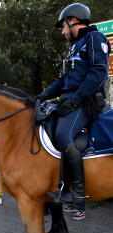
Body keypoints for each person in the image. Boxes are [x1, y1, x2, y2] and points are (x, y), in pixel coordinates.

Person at [34, 3, 111, 210]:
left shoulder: (95, 39)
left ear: (73, 21)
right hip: (71, 99)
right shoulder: (74, 47)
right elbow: (62, 81)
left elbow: (99, 73)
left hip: (86, 102)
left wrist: (76, 99)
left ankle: (77, 194)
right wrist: (44, 95)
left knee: (62, 135)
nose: (62, 31)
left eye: (63, 26)